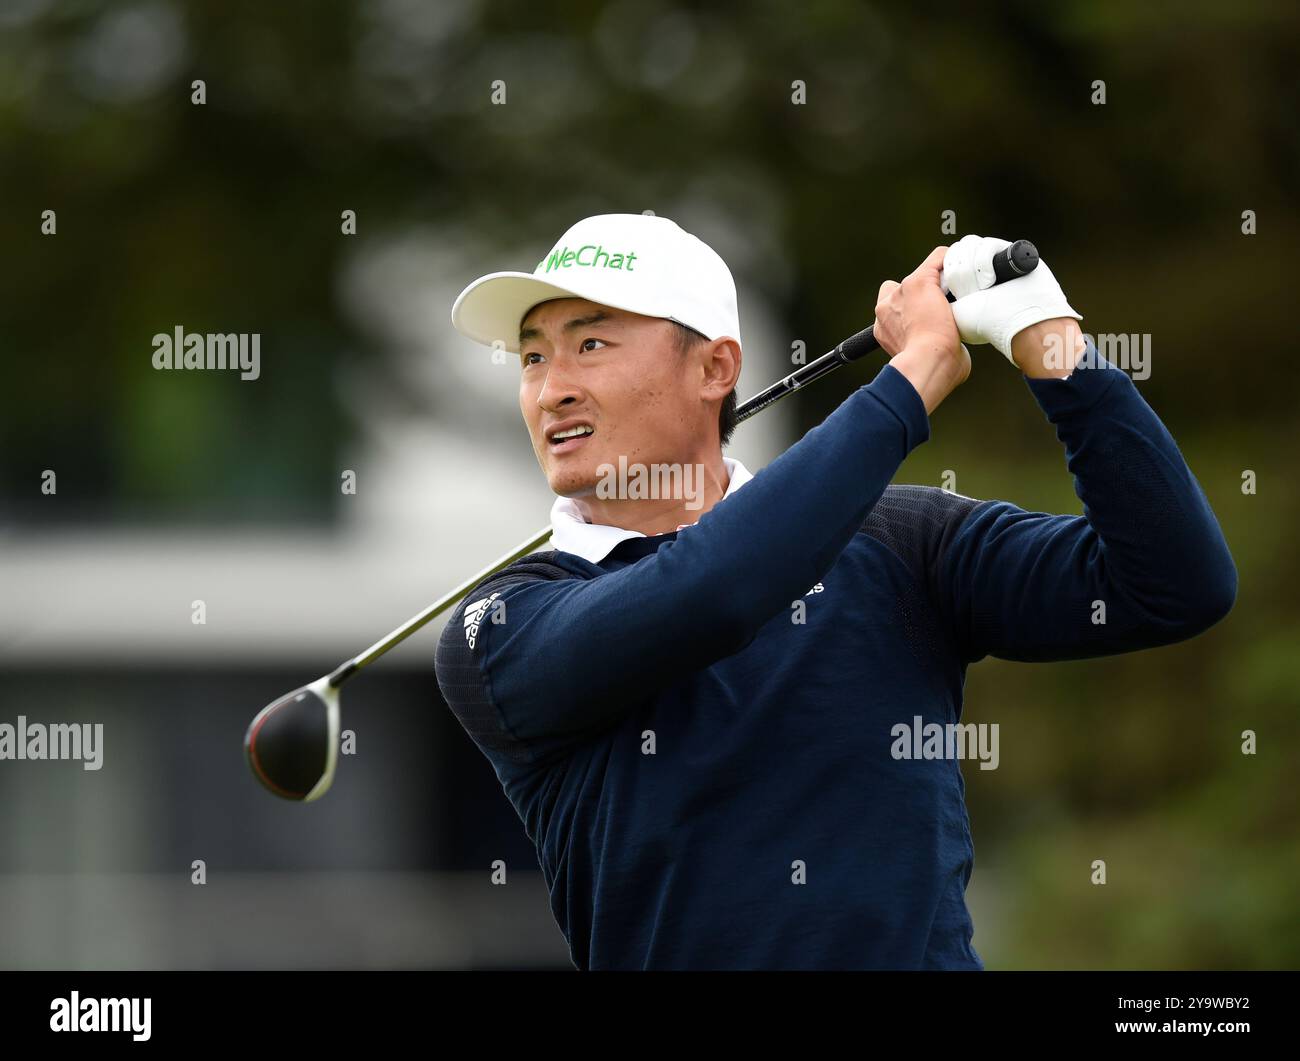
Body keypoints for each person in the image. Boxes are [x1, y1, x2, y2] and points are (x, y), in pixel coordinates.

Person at [435, 212, 1236, 970]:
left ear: (715, 368)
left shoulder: (902, 543)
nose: (551, 390)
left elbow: (1175, 583)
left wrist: (1055, 345)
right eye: (534, 356)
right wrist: (911, 379)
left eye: (592, 344)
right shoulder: (502, 625)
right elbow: (716, 590)